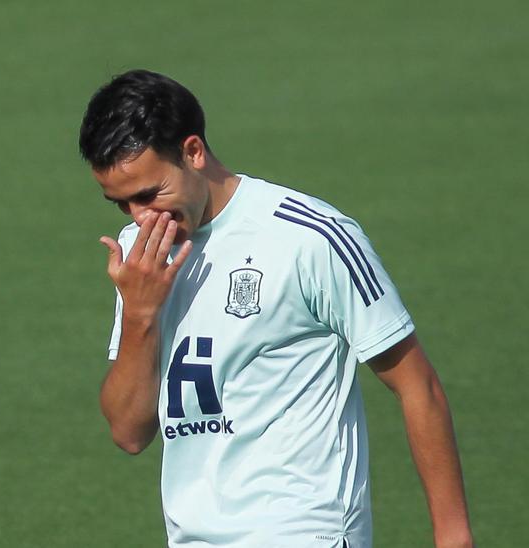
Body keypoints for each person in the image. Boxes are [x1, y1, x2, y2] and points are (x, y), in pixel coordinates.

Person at [78, 69, 472, 547]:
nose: (141, 218)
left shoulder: (310, 237)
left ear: (193, 152)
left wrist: (454, 537)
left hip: (305, 531)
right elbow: (129, 431)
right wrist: (140, 314)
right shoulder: (140, 259)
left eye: (149, 195)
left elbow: (418, 386)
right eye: (121, 204)